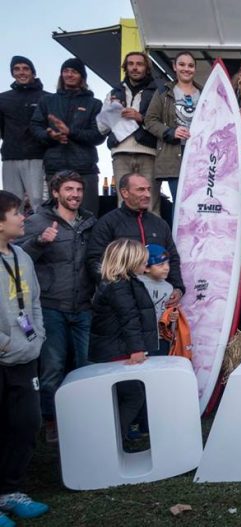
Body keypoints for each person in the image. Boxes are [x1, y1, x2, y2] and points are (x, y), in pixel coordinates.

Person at [17, 171, 95, 444]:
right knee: (53, 368)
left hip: (84, 306)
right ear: (55, 193)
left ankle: (85, 417)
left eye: (79, 189)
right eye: (69, 189)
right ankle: (52, 421)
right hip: (51, 306)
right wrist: (39, 242)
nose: (75, 194)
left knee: (87, 366)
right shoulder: (37, 221)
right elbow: (15, 257)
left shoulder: (89, 222)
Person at [0, 190, 49, 525]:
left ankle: (10, 491)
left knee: (27, 423)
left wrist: (38, 337)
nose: (24, 218)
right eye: (17, 213)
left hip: (27, 356)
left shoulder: (22, 256)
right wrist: (5, 345)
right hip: (5, 356)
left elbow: (34, 304)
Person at [88, 239, 157, 446]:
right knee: (133, 396)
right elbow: (129, 318)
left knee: (130, 394)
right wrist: (137, 349)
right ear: (130, 261)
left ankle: (119, 435)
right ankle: (112, 440)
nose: (146, 264)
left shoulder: (123, 283)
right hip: (116, 351)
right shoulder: (119, 286)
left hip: (117, 348)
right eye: (143, 261)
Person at [86, 173, 184, 308]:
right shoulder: (107, 223)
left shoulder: (160, 224)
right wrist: (115, 290)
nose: (147, 194)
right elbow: (95, 260)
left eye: (148, 189)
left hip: (158, 302)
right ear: (124, 193)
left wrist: (177, 288)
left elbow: (172, 258)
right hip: (119, 304)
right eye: (140, 190)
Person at [29, 58, 104, 215]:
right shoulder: (47, 101)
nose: (69, 75)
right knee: (57, 217)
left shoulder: (94, 104)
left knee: (88, 217)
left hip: (85, 168)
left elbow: (98, 135)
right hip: (55, 167)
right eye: (66, 71)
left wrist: (71, 132)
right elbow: (35, 127)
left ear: (82, 77)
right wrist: (50, 135)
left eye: (74, 72)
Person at [97, 52, 160, 211]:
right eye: (130, 64)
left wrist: (141, 118)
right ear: (125, 68)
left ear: (147, 68)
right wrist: (113, 115)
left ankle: (149, 229)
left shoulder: (158, 93)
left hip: (149, 152)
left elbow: (163, 123)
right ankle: (126, 230)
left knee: (150, 203)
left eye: (139, 64)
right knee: (124, 204)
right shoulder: (113, 93)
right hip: (120, 152)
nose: (135, 68)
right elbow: (101, 127)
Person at [144, 51, 201, 213]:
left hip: (199, 155)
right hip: (174, 154)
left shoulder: (204, 92)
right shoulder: (163, 92)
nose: (186, 69)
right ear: (174, 67)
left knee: (199, 202)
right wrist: (170, 132)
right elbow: (150, 120)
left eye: (190, 65)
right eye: (182, 64)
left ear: (195, 69)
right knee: (180, 203)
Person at [0, 56, 49, 212]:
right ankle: (14, 231)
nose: (21, 72)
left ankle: (44, 230)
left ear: (33, 72)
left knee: (39, 202)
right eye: (17, 69)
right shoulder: (3, 98)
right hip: (10, 157)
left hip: (37, 157)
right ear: (12, 73)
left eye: (25, 68)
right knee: (11, 205)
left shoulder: (47, 98)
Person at [137, 243, 173, 356]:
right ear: (146, 267)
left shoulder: (169, 287)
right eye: (160, 264)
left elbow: (167, 311)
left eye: (167, 263)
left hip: (162, 339)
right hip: (142, 340)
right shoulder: (137, 284)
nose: (166, 267)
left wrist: (172, 316)